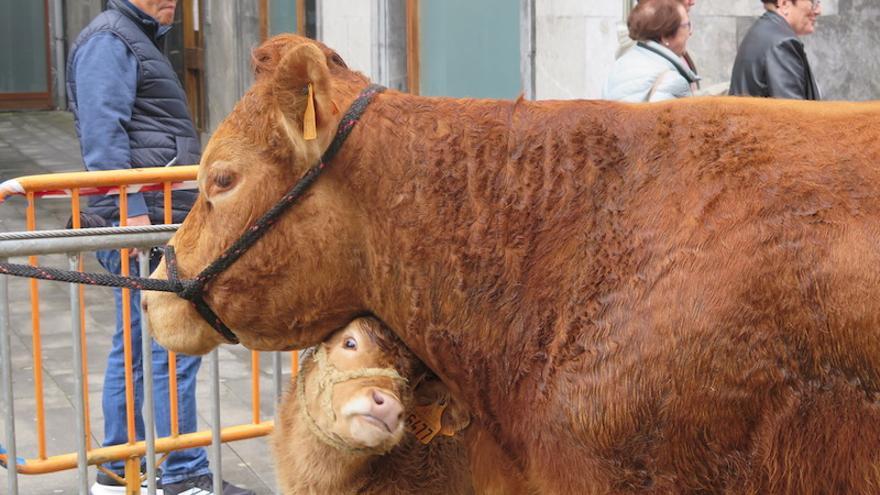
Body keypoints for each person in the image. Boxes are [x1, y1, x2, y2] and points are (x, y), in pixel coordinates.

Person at [65, 1, 254, 494]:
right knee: (172, 343)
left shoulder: (134, 36)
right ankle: (183, 475)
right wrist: (133, 216)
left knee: (135, 346)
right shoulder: (112, 38)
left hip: (154, 217)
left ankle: (122, 466)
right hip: (146, 220)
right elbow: (103, 136)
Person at [604, 0, 700, 102]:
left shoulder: (619, 65)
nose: (691, 32)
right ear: (665, 36)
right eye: (686, 25)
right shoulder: (672, 82)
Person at [729, 0, 822, 99]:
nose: (819, 10)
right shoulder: (783, 44)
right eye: (813, 3)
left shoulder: (763, 31)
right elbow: (792, 111)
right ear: (784, 4)